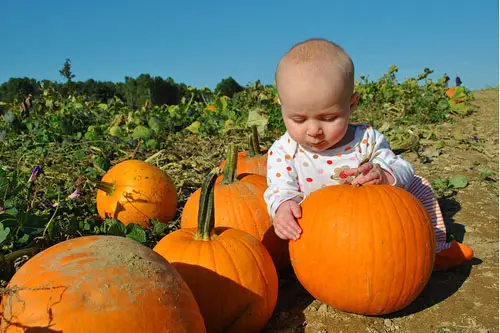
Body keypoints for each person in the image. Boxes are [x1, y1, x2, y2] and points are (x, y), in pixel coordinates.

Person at [264, 38, 474, 271]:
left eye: (329, 118)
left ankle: (432, 249)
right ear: (281, 106)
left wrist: (384, 174)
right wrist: (282, 207)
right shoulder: (284, 151)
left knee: (418, 185)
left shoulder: (366, 139)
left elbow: (402, 167)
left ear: (351, 105)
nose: (314, 131)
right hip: (319, 236)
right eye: (299, 119)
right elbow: (278, 189)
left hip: (374, 229)